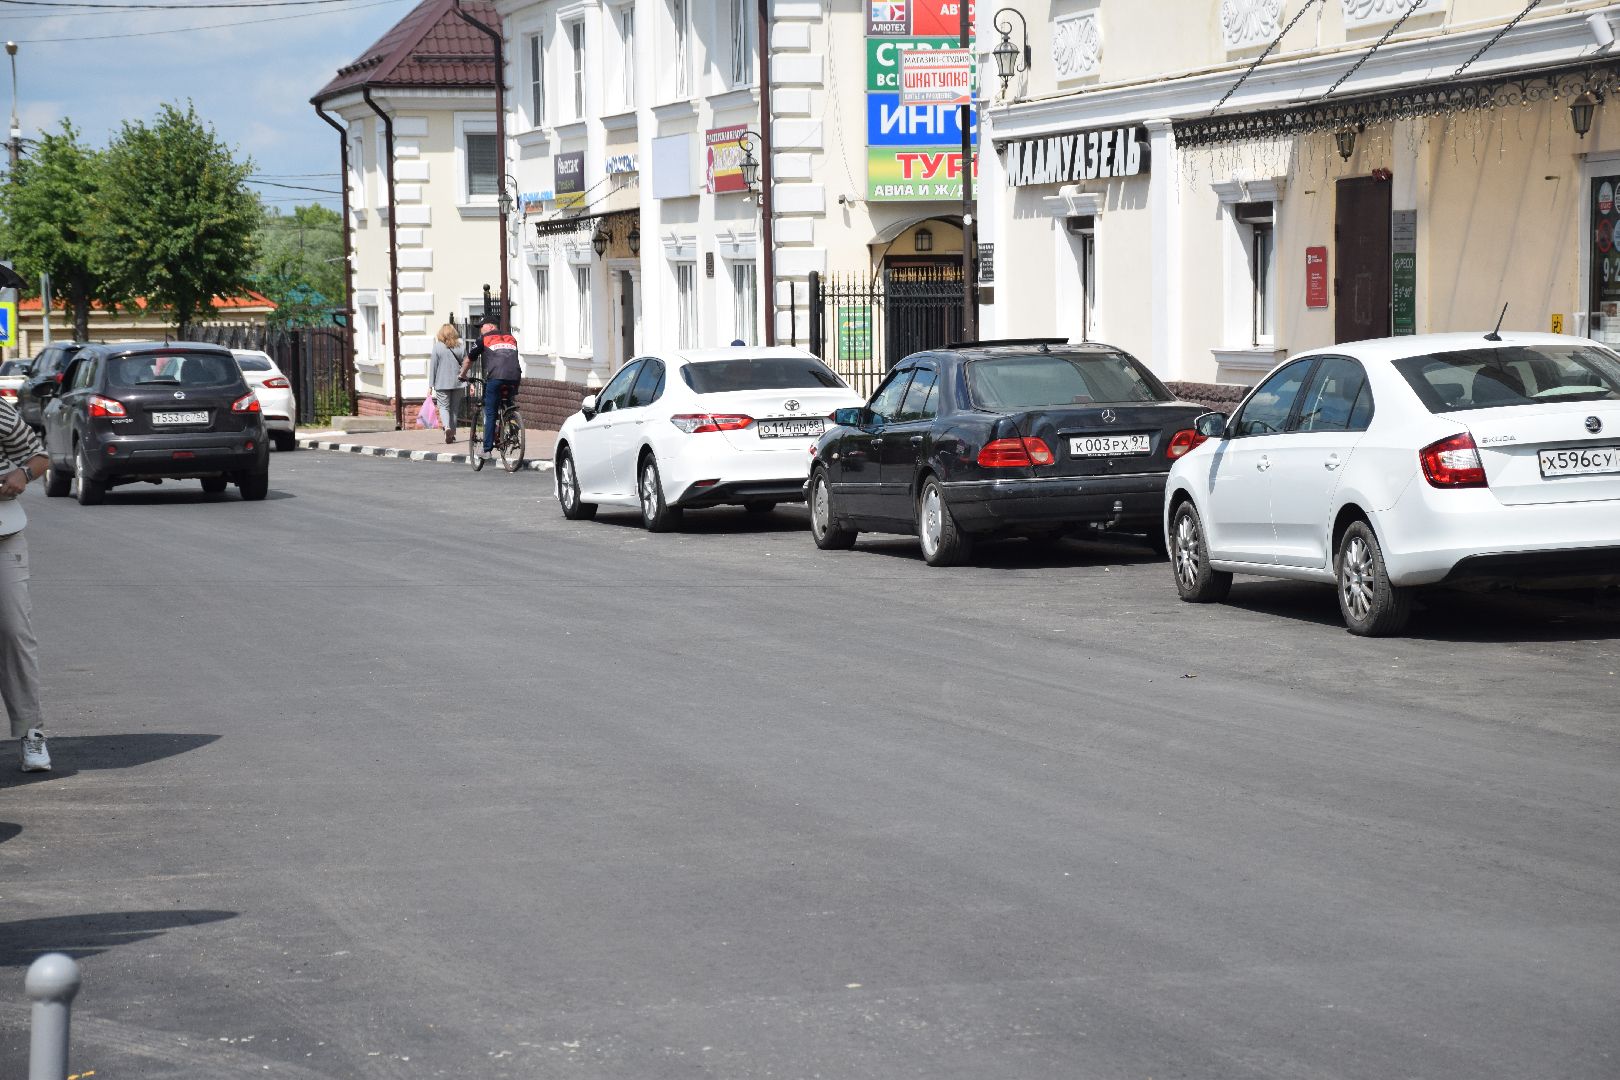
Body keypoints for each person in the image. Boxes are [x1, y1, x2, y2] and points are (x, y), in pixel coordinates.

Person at [0, 397, 51, 772]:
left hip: (3, 535)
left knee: (15, 632)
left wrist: (23, 476)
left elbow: (39, 458)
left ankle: (31, 733)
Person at [460, 321, 522, 462]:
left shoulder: (484, 338)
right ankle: (512, 424)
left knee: (491, 411)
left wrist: (462, 375)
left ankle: (487, 449)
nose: (480, 330)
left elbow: (469, 360)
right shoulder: (511, 337)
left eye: (481, 327)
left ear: (491, 326)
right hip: (514, 377)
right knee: (508, 402)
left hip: (496, 377)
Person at [428, 324, 467, 444]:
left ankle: (447, 428)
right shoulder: (461, 346)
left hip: (441, 382)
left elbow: (433, 366)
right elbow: (466, 364)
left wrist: (430, 385)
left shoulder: (437, 347)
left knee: (444, 407)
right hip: (458, 383)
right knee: (454, 409)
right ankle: (452, 433)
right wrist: (469, 380)